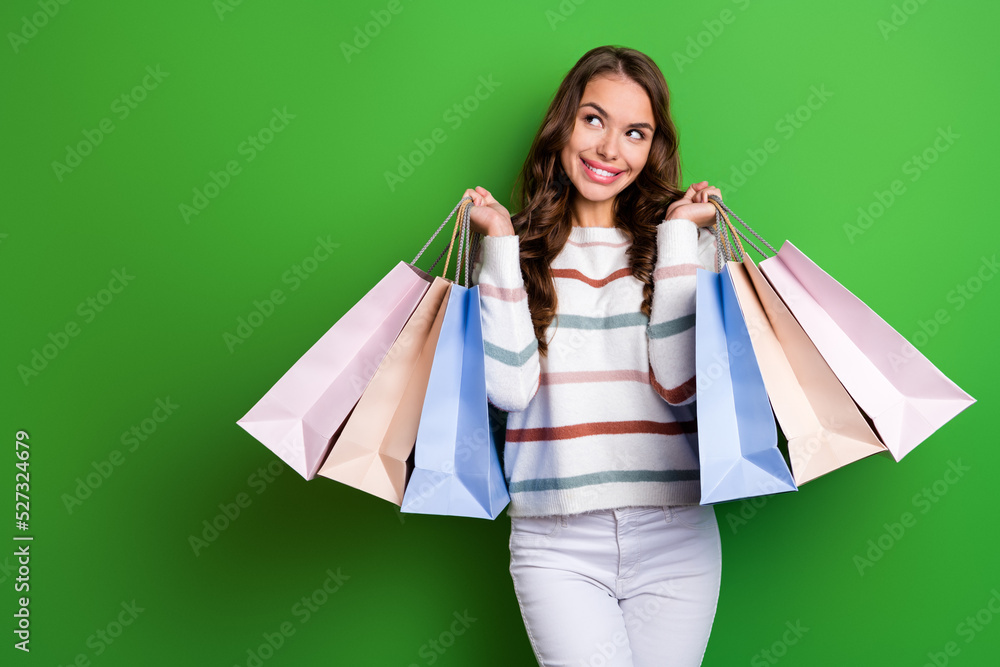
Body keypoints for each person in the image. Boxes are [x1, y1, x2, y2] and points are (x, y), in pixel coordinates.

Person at [464, 45, 725, 667]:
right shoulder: (512, 251)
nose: (610, 149)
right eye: (594, 120)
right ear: (563, 125)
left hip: (677, 535)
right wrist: (499, 245)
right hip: (556, 539)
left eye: (635, 132)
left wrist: (683, 238)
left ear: (651, 148)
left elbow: (682, 379)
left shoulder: (682, 239)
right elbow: (507, 389)